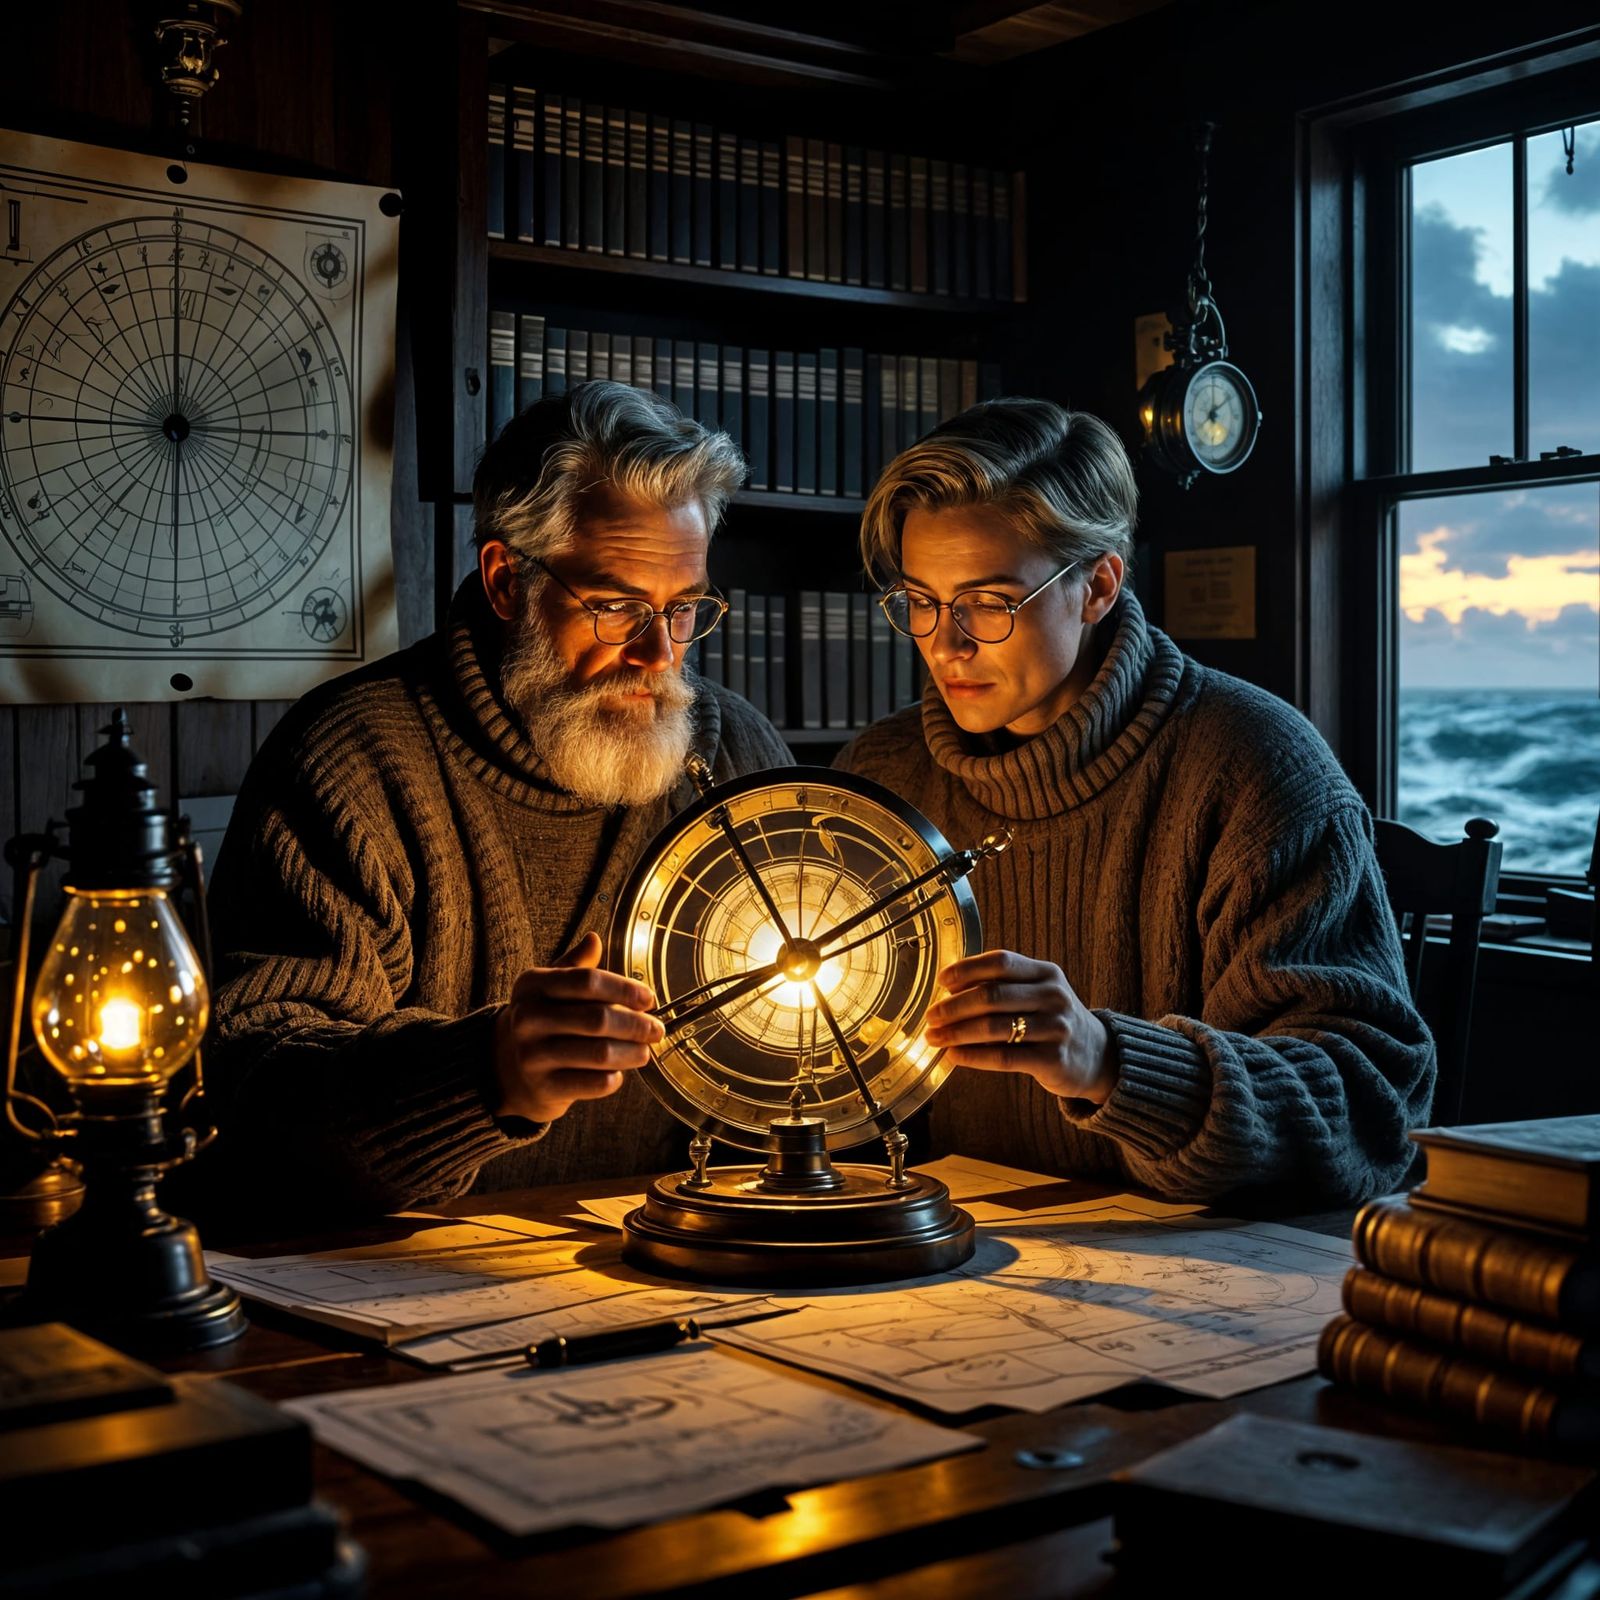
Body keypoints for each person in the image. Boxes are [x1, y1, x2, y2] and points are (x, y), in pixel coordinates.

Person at [197, 382, 790, 1219]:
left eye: (684, 609)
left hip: (675, 1270)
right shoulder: (356, 760)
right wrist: (491, 1073)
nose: (660, 655)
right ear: (508, 580)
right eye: (617, 607)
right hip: (389, 1282)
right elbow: (258, 1095)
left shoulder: (730, 753)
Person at [836, 398, 1433, 1205]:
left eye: (988, 602)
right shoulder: (881, 776)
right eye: (919, 601)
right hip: (955, 1267)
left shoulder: (1255, 767)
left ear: (1098, 585)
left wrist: (1104, 1060)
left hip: (1206, 1275)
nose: (946, 642)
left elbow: (1371, 1109)